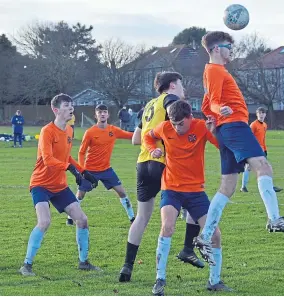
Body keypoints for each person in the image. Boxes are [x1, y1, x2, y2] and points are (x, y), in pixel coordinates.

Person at [195, 31, 284, 265]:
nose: (231, 50)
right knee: (263, 166)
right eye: (228, 46)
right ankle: (275, 219)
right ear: (215, 49)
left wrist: (213, 115)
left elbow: (206, 103)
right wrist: (220, 109)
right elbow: (213, 100)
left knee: (228, 185)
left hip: (227, 128)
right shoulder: (214, 70)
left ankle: (204, 236)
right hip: (234, 126)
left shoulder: (214, 71)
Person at [119, 71, 204, 283]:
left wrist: (153, 143)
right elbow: (180, 121)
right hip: (163, 164)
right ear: (173, 85)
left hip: (143, 163)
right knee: (193, 198)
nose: (183, 90)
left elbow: (136, 139)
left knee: (142, 217)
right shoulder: (172, 100)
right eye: (181, 84)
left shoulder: (149, 105)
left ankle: (127, 267)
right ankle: (187, 249)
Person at [144, 100, 232, 295]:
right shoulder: (164, 127)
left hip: (195, 191)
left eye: (180, 124)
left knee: (215, 234)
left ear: (190, 118)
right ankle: (160, 279)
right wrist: (153, 150)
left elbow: (221, 145)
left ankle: (214, 281)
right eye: (173, 124)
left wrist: (216, 130)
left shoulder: (201, 127)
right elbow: (148, 137)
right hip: (171, 188)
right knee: (167, 226)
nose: (176, 128)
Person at [19, 93, 100, 276]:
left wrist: (84, 171)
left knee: (82, 219)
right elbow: (48, 160)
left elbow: (67, 156)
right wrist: (71, 169)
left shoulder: (70, 130)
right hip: (40, 184)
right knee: (44, 221)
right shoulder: (47, 131)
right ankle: (27, 264)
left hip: (59, 185)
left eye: (71, 105)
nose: (71, 108)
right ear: (56, 110)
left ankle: (83, 262)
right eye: (66, 106)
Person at [66, 104, 135, 226]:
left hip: (107, 170)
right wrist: (82, 170)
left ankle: (132, 218)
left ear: (108, 114)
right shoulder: (90, 132)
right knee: (80, 194)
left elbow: (131, 136)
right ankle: (70, 217)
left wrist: (147, 133)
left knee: (122, 192)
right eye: (99, 112)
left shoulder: (113, 130)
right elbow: (81, 152)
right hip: (90, 170)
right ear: (96, 115)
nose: (102, 114)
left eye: (104, 112)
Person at [240, 107, 283, 193]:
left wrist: (265, 149)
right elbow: (248, 137)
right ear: (257, 114)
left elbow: (263, 138)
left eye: (263, 113)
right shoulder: (253, 125)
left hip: (262, 150)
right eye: (260, 113)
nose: (261, 115)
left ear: (265, 115)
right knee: (248, 168)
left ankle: (270, 186)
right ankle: (243, 187)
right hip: (253, 150)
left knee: (266, 167)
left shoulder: (264, 125)